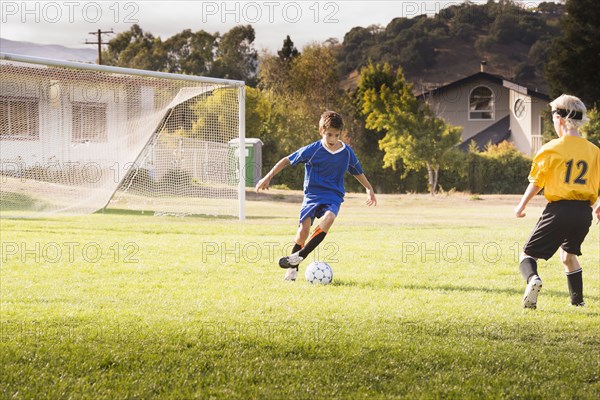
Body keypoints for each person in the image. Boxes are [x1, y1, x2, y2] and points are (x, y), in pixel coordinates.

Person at [255, 111, 377, 281]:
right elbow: (286, 160)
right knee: (303, 232)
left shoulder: (346, 152)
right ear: (321, 131)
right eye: (329, 135)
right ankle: (292, 271)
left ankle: (300, 256)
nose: (332, 139)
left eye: (336, 135)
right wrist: (267, 177)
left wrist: (369, 188)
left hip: (333, 195)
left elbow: (357, 171)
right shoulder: (312, 150)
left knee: (329, 218)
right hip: (312, 195)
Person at [514, 94, 600, 309]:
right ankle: (577, 302)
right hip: (583, 213)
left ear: (560, 119)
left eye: (553, 117)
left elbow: (537, 182)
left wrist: (521, 206)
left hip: (559, 210)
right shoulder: (594, 150)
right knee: (568, 256)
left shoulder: (551, 148)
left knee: (527, 254)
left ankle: (533, 279)